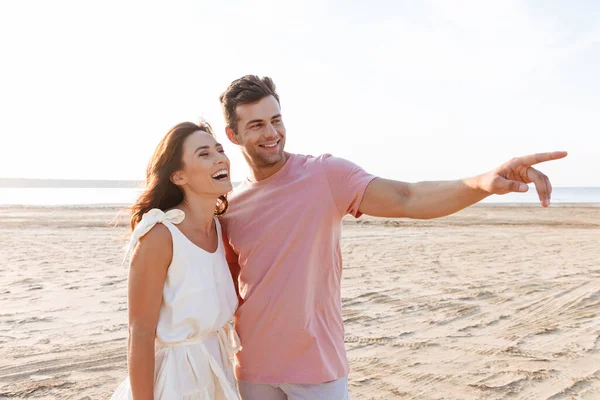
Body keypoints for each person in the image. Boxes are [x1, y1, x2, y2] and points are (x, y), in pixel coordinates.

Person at [218, 75, 568, 400]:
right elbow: (228, 292)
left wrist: (483, 183)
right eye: (256, 125)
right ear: (233, 135)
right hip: (254, 368)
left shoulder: (324, 174)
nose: (271, 133)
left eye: (276, 120)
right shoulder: (229, 207)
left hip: (316, 367)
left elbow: (409, 197)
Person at [111, 121, 241, 400]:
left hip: (217, 368)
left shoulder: (219, 228)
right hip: (176, 383)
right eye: (204, 154)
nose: (220, 158)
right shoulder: (160, 235)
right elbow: (140, 333)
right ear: (179, 177)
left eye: (219, 150)